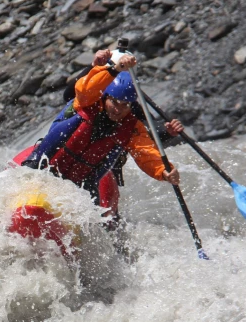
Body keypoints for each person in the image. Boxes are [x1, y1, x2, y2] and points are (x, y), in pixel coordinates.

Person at [21, 51, 180, 226]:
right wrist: (112, 68)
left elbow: (146, 152)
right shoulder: (88, 102)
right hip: (47, 164)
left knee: (102, 221)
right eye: (114, 102)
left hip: (85, 179)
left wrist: (164, 171)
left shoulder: (132, 125)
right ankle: (28, 176)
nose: (118, 110)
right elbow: (83, 89)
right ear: (105, 98)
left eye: (124, 105)